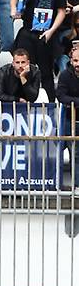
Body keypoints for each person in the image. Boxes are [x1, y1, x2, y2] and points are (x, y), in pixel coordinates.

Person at [12, 0, 67, 101]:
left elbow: (61, 11)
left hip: (45, 34)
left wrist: (51, 31)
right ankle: (20, 102)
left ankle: (50, 106)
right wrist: (14, 9)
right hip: (27, 31)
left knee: (46, 72)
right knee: (23, 69)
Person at [57, 48, 79, 190]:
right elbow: (61, 95)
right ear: (71, 60)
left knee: (77, 155)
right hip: (68, 119)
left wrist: (73, 102)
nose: (78, 64)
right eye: (76, 60)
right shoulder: (65, 75)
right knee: (58, 150)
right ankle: (56, 184)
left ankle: (77, 185)